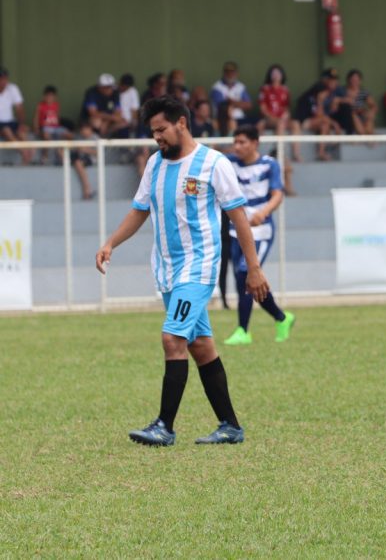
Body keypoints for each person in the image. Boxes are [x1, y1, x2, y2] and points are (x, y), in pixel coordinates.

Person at [95, 95, 269, 446]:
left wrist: (254, 268)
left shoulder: (213, 163)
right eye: (153, 132)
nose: (157, 137)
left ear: (182, 123)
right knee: (201, 346)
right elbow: (139, 210)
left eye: (161, 129)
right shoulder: (155, 164)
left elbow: (238, 216)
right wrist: (111, 242)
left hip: (199, 267)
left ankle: (164, 426)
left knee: (172, 338)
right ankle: (230, 426)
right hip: (168, 271)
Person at [222, 125, 296, 346]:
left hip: (260, 231)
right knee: (244, 281)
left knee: (247, 273)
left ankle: (243, 331)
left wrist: (262, 213)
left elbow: (278, 194)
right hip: (237, 230)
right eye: (235, 142)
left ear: (255, 143)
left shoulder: (269, 164)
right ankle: (282, 318)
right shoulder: (229, 163)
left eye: (242, 142)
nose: (237, 146)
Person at [296, 68, 344, 161]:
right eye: (331, 80)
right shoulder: (318, 90)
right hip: (302, 122)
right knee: (326, 121)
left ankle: (321, 152)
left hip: (313, 122)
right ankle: (331, 142)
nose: (334, 82)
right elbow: (319, 115)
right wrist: (335, 124)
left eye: (334, 80)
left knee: (325, 125)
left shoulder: (331, 92)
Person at [259, 64, 302, 162]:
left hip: (282, 119)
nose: (276, 75)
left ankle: (296, 154)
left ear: (282, 75)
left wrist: (286, 115)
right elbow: (263, 108)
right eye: (273, 73)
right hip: (269, 119)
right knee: (280, 123)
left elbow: (287, 107)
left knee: (295, 124)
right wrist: (272, 117)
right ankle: (280, 153)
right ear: (269, 75)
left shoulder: (285, 90)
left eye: (278, 73)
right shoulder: (265, 89)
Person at [211, 61, 254, 135]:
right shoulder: (217, 87)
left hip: (241, 118)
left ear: (236, 73)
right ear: (224, 73)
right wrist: (239, 103)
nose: (230, 74)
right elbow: (222, 105)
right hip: (223, 120)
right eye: (228, 72)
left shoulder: (241, 86)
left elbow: (249, 105)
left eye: (232, 72)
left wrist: (232, 102)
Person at [81, 73, 129, 138]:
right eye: (107, 87)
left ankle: (108, 137)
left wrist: (107, 122)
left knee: (124, 122)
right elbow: (93, 113)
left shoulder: (115, 93)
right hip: (90, 120)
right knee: (97, 122)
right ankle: (99, 138)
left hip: (108, 121)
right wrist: (109, 118)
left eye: (110, 87)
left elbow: (118, 113)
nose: (110, 89)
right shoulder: (91, 93)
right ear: (100, 87)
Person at [34, 85, 72, 164]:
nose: (49, 98)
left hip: (56, 128)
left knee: (69, 135)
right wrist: (36, 129)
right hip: (45, 128)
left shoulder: (56, 105)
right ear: (44, 97)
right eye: (48, 96)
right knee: (46, 135)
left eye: (52, 96)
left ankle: (64, 152)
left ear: (55, 97)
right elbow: (36, 118)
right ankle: (45, 157)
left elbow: (57, 118)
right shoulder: (40, 105)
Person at [336, 69, 378, 136]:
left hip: (361, 114)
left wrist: (372, 112)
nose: (354, 82)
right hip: (347, 117)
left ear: (360, 81)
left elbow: (373, 105)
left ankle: (370, 136)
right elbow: (335, 102)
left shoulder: (363, 92)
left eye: (356, 80)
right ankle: (363, 135)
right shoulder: (342, 90)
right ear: (348, 80)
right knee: (354, 114)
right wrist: (345, 100)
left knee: (369, 116)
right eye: (352, 79)